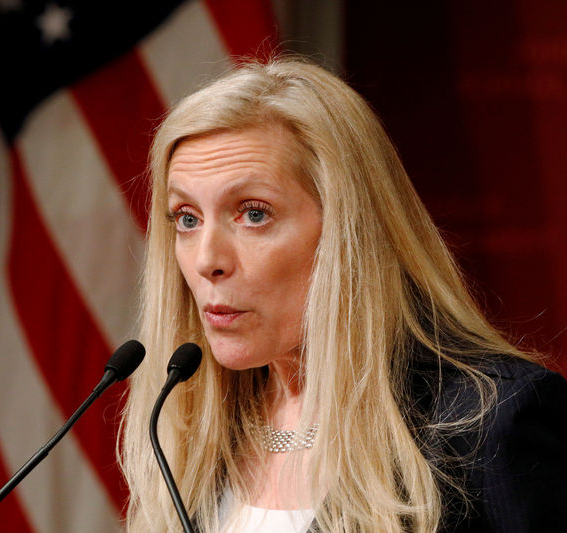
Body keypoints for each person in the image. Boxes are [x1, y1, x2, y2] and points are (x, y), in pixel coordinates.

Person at [119, 57, 567, 533]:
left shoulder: (490, 425)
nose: (208, 258)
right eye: (186, 218)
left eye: (253, 213)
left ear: (348, 230)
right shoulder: (192, 435)